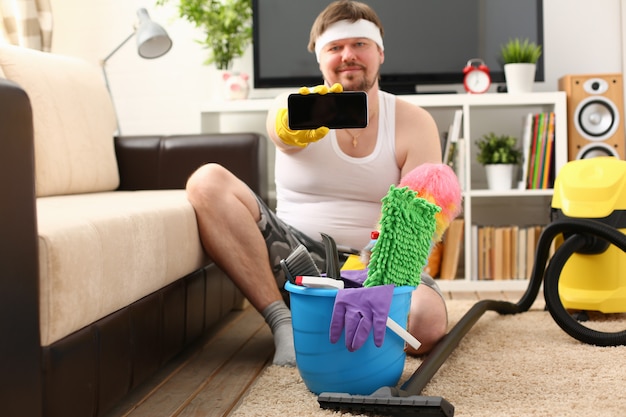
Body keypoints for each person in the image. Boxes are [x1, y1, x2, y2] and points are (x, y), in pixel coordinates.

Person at [186, 0, 448, 367]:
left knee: (426, 323)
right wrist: (290, 126)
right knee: (206, 182)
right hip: (295, 258)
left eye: (360, 44)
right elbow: (282, 129)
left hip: (378, 264)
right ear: (319, 58)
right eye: (335, 47)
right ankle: (285, 324)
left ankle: (340, 319)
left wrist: (376, 279)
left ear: (380, 53)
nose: (348, 56)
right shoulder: (293, 108)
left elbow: (417, 217)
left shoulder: (413, 121)